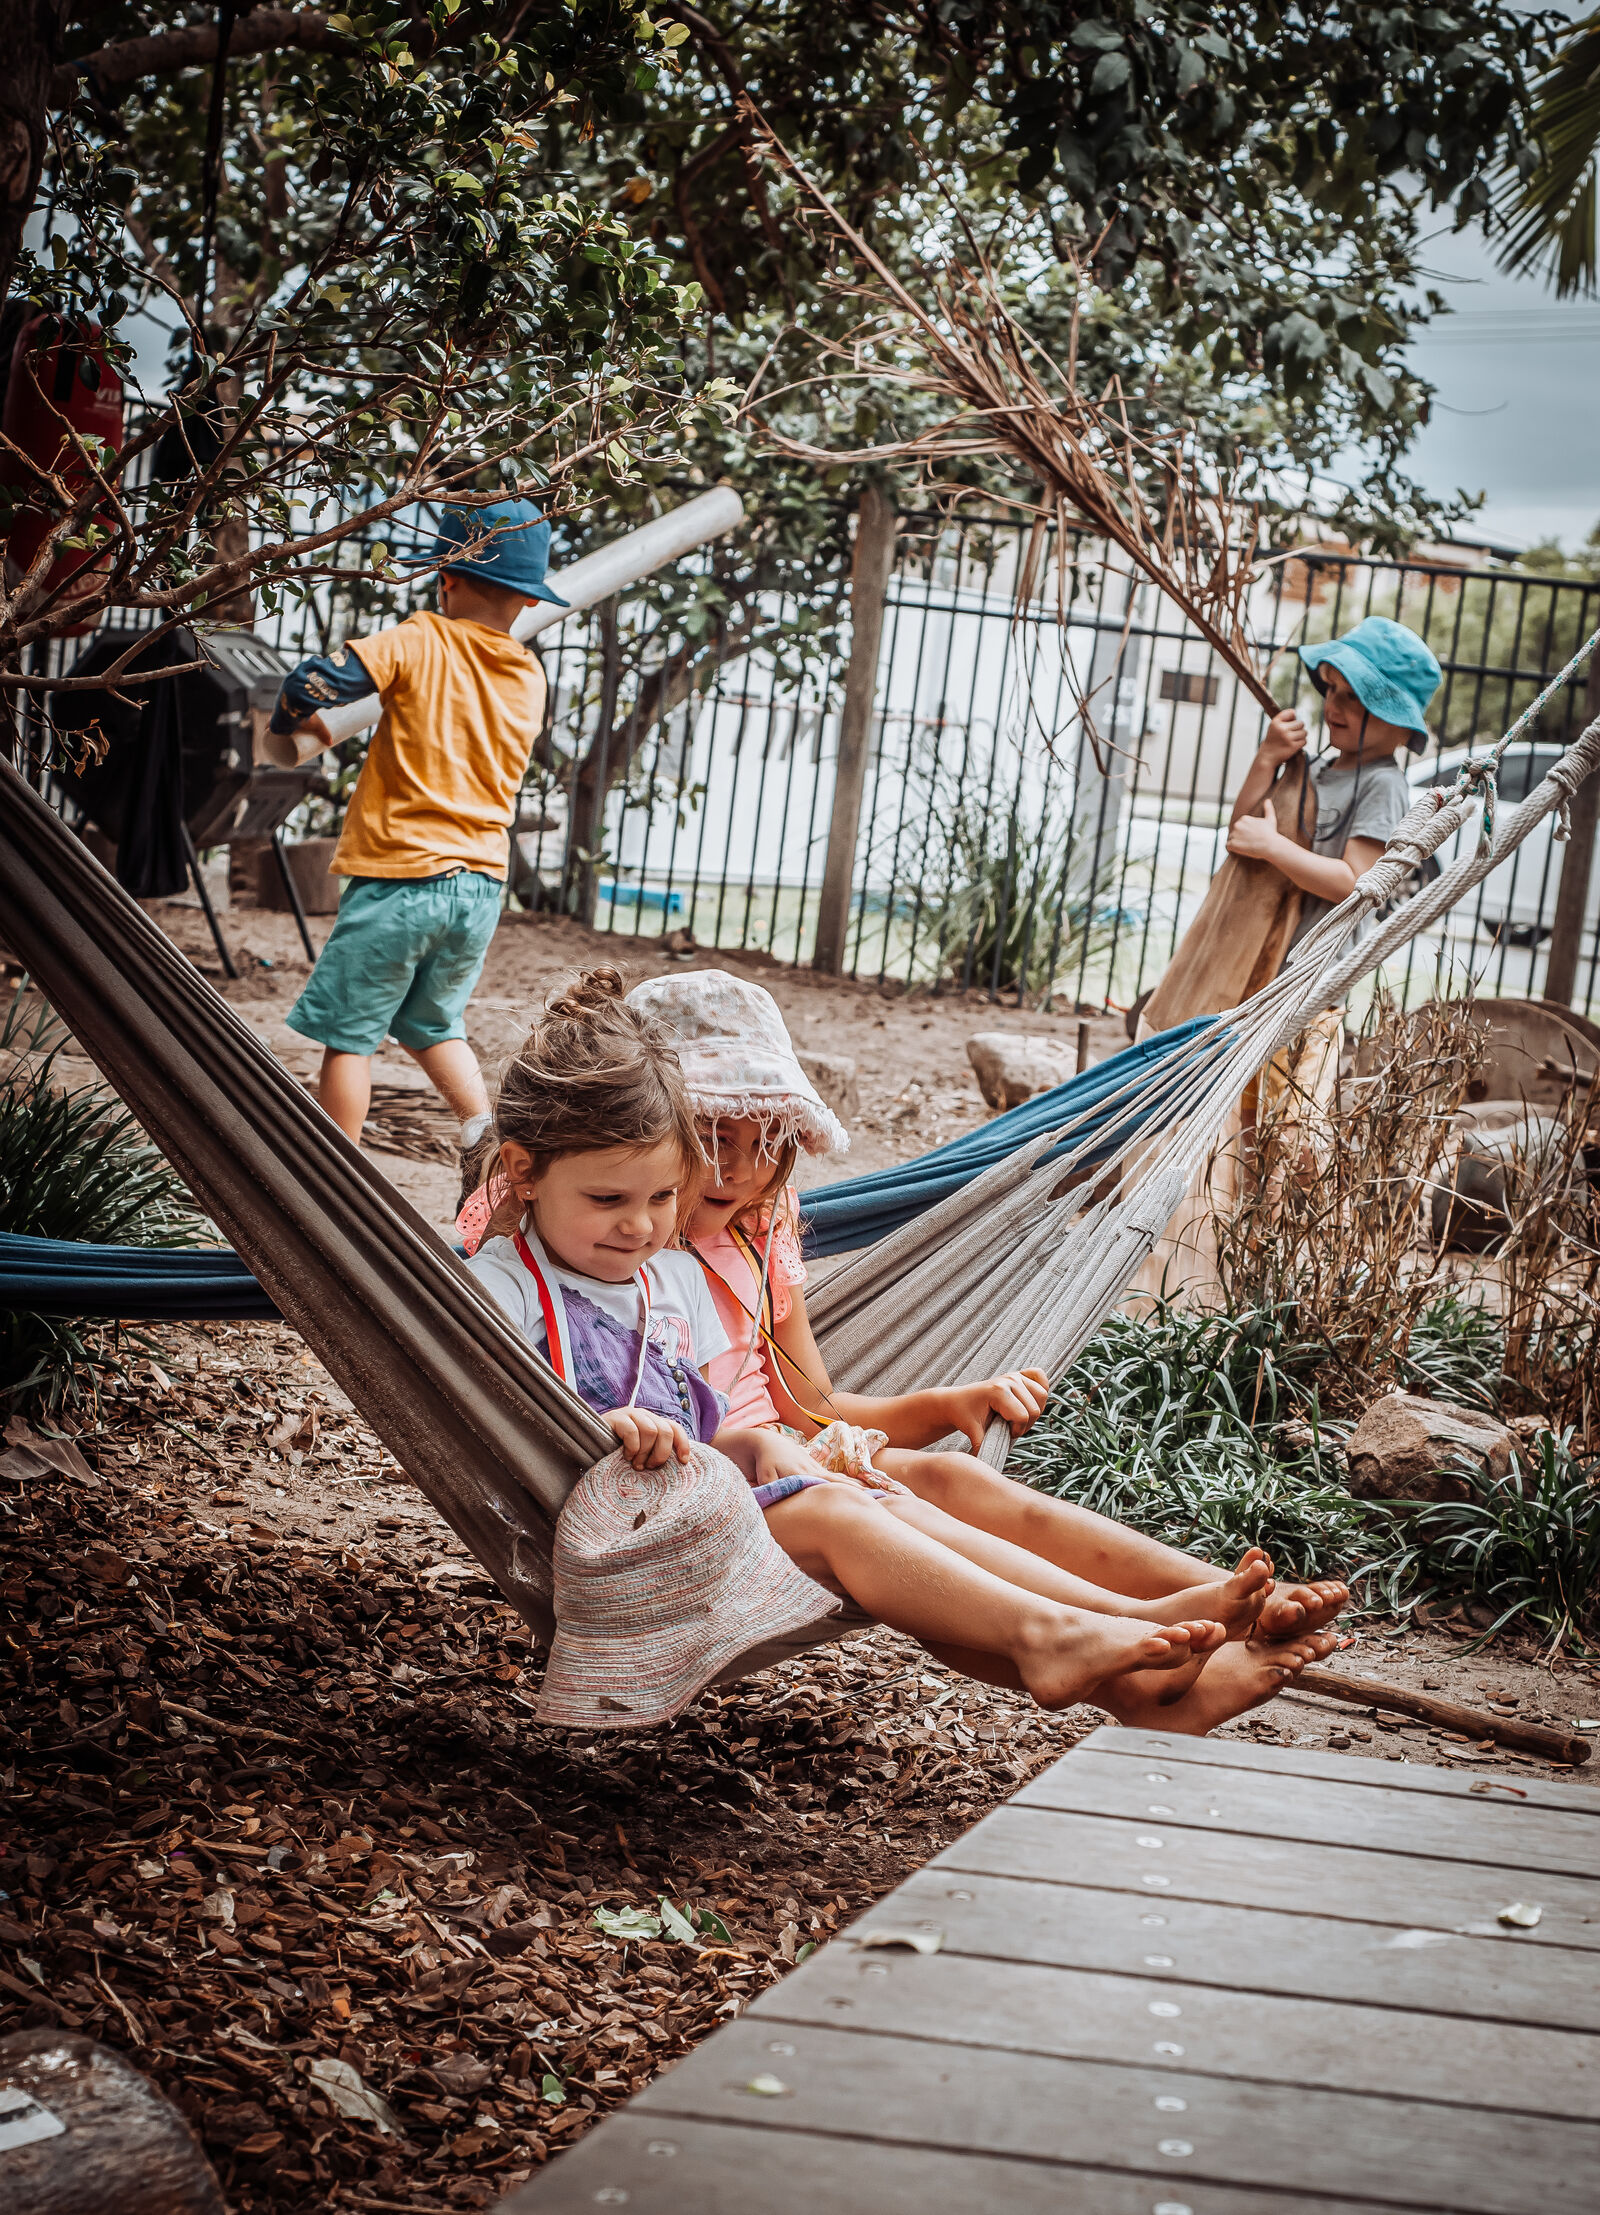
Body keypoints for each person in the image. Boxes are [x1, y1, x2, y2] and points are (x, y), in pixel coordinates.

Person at [464, 968, 1343, 1730]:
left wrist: (942, 1407)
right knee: (879, 1505)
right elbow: (515, 1382)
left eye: (760, 1139)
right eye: (708, 1139)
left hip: (760, 1470)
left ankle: (1193, 1629)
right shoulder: (613, 1252)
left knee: (947, 1477)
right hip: (676, 1514)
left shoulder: (717, 1253)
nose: (728, 1169)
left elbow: (809, 1407)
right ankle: (1124, 1620)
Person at [270, 499, 566, 1196]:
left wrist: (289, 720)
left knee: (350, 1036)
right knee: (432, 1021)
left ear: (447, 580)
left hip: (403, 874)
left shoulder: (421, 638)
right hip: (479, 886)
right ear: (527, 601)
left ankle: (333, 1181)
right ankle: (481, 1133)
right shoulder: (528, 675)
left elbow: (316, 682)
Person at [1225, 614, 1442, 957]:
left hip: (1310, 975)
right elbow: (1241, 833)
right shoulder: (1313, 769)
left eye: (1354, 696)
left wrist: (1272, 847)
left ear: (1398, 721)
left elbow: (1355, 883)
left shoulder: (1382, 784)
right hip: (1261, 951)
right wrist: (1266, 759)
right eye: (1332, 689)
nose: (1333, 705)